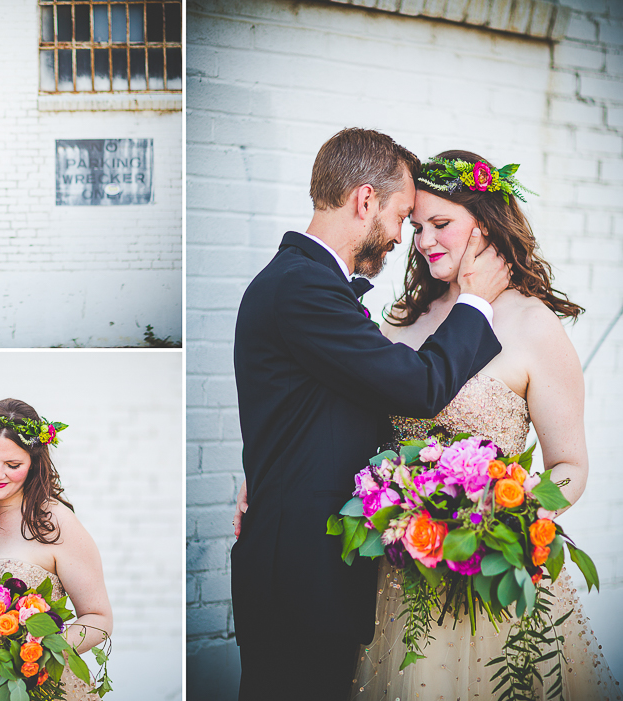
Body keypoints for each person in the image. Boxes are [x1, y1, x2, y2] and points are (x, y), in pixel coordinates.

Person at [230, 128, 511, 700]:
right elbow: (419, 386)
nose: (406, 238)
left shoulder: (301, 282)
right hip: (301, 581)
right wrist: (477, 300)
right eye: (405, 217)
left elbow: (320, 406)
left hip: (307, 573)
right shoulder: (304, 287)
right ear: (365, 201)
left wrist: (266, 466)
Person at [348, 151, 622, 699]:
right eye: (417, 226)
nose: (424, 242)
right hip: (400, 575)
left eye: (442, 224)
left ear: (486, 221)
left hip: (489, 575)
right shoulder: (401, 319)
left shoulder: (533, 324)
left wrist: (504, 522)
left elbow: (571, 466)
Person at [0, 398, 112, 700]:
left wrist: (34, 653)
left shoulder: (54, 521)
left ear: (33, 464)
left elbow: (99, 619)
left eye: (13, 465)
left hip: (46, 687)